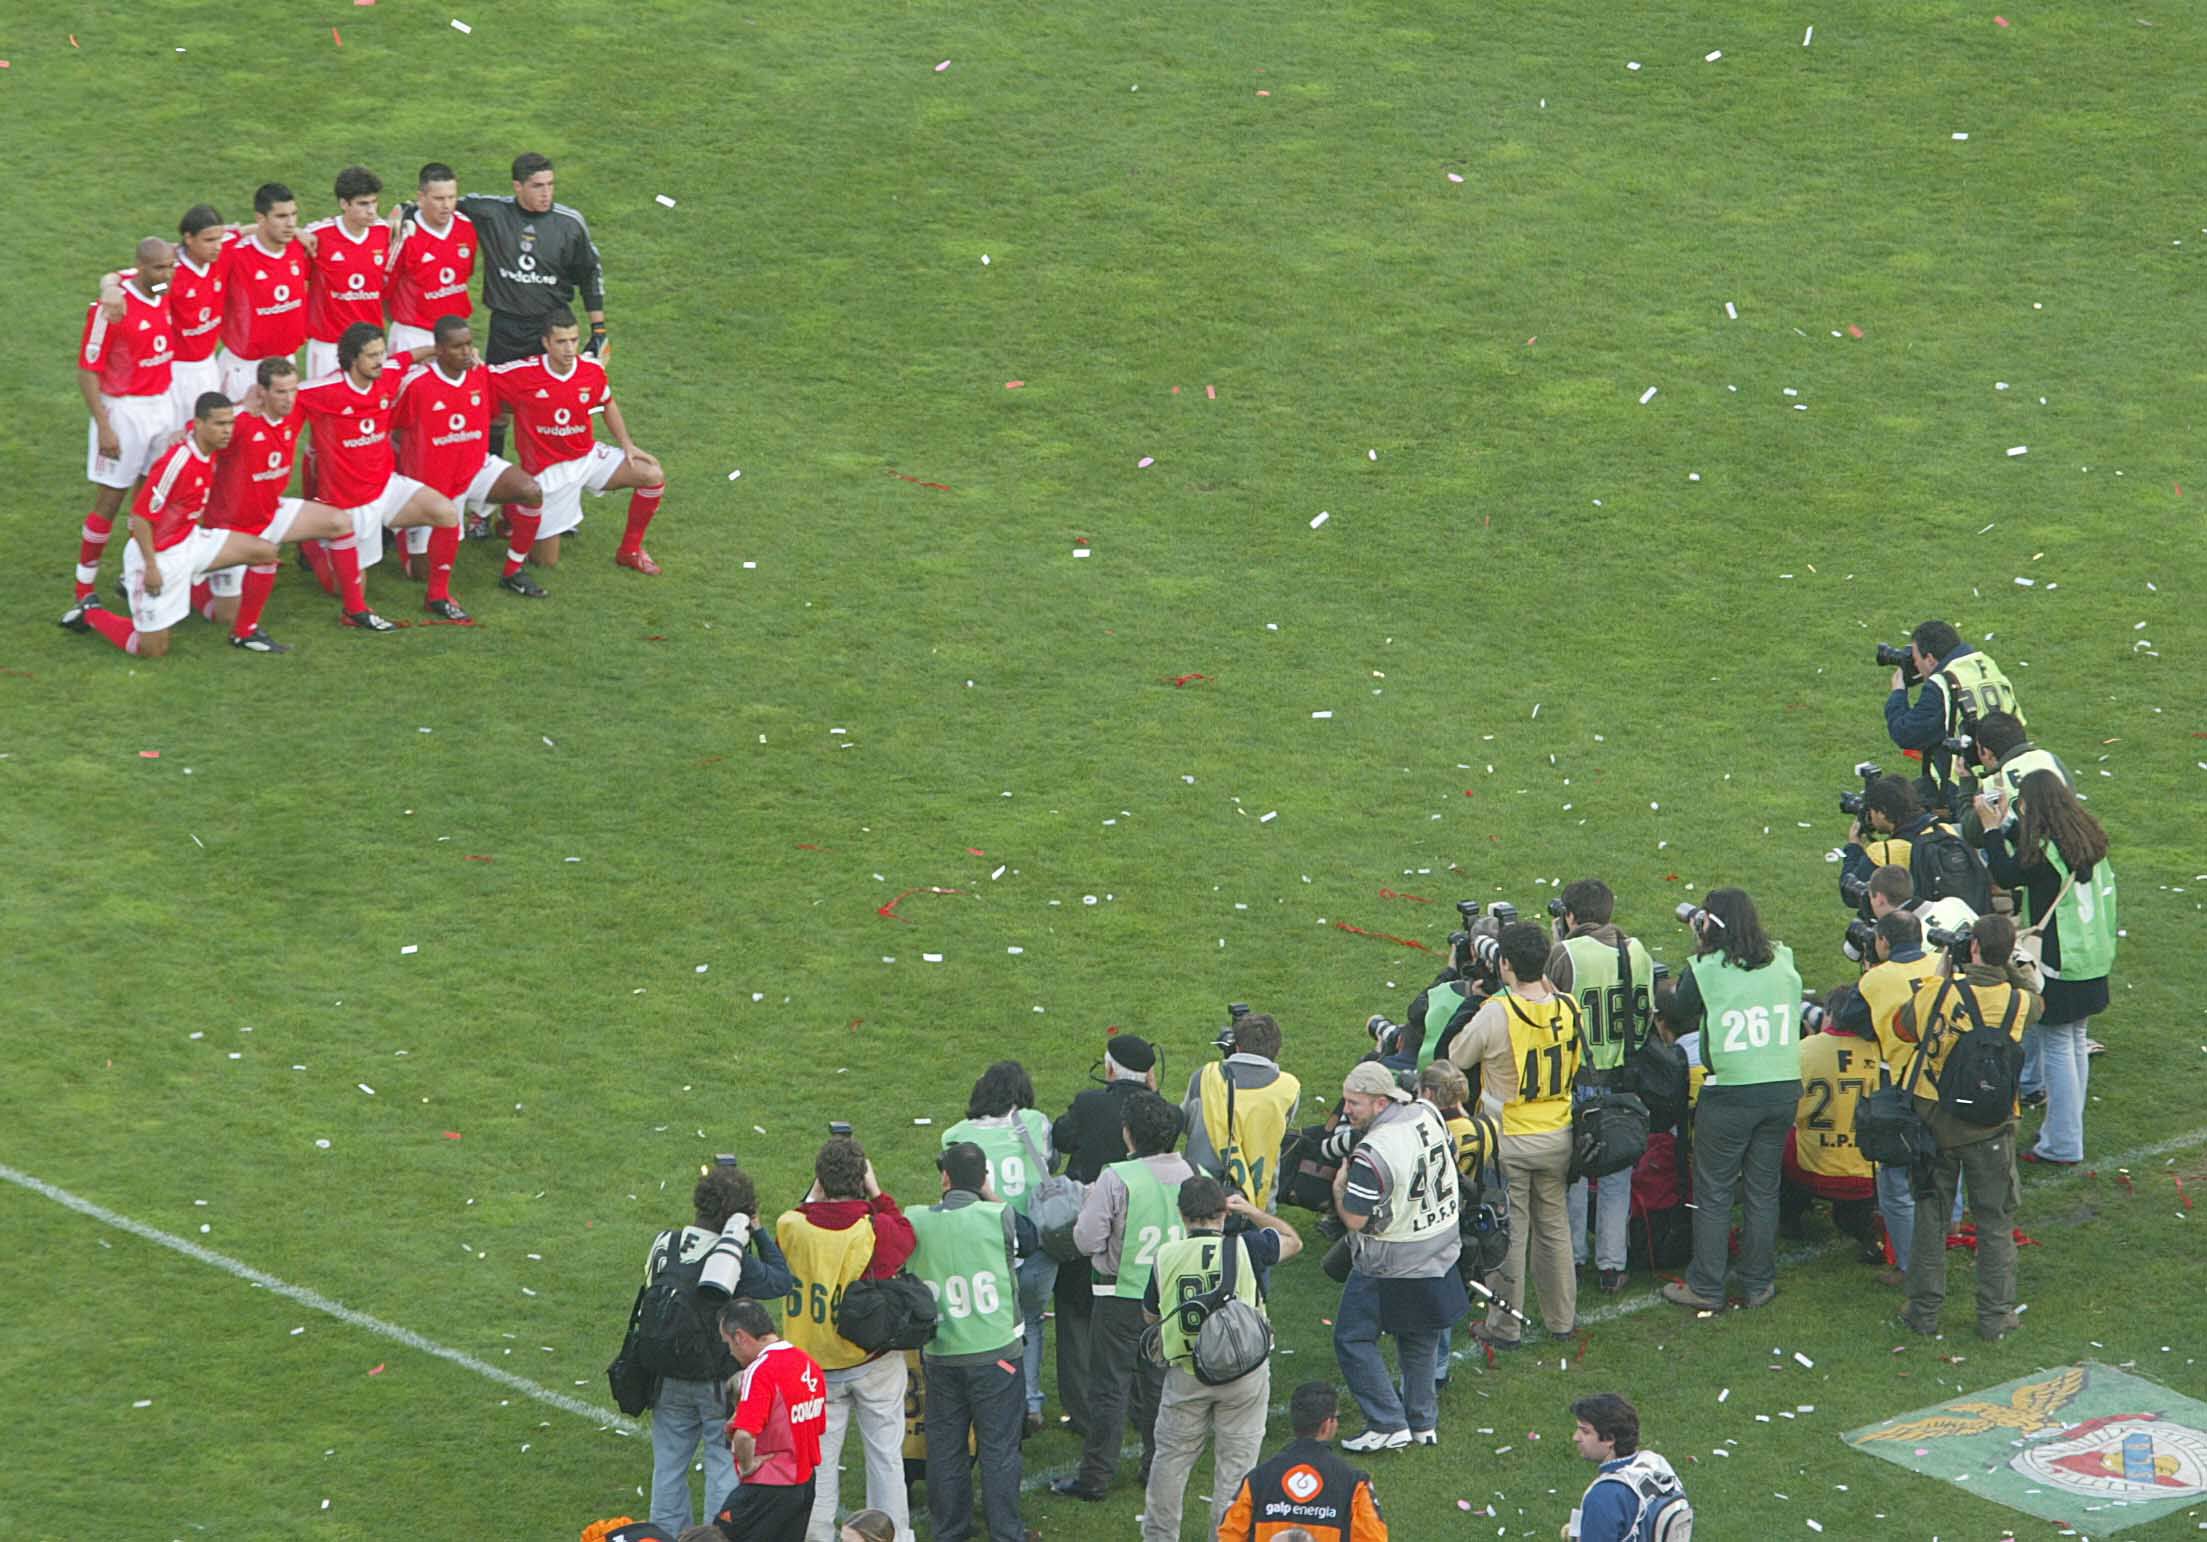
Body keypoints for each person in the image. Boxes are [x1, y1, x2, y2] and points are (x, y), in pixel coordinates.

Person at [1893, 915, 2042, 1340]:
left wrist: (1943, 968)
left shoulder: (1939, 991)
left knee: (1931, 1218)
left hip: (1936, 1124)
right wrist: (2007, 963)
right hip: (1992, 1128)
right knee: (1995, 1222)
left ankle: (1923, 1312)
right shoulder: (2019, 1003)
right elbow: (2036, 997)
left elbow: (1903, 1027)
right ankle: (1995, 1317)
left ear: (1972, 947)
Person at [1660, 889, 1803, 1312]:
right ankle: (1759, 1282)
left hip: (1732, 1091)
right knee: (1763, 1189)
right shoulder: (1782, 958)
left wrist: (1701, 946)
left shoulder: (1707, 968)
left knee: (1715, 1191)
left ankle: (1706, 1285)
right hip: (1782, 1087)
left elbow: (1680, 1006)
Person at [59, 394, 282, 659]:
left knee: (265, 552)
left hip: (191, 541)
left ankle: (245, 633)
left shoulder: (208, 448)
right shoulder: (177, 463)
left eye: (230, 424)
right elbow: (140, 518)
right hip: (159, 555)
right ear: (199, 424)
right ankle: (90, 612)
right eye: (220, 424)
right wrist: (151, 567)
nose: (227, 431)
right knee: (152, 649)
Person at [1140, 1176, 1302, 1541]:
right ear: (1224, 1212)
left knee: (1170, 1461)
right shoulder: (1249, 1246)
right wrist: (1253, 1211)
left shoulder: (1165, 1256)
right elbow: (1293, 1240)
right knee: (1236, 1468)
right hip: (1245, 1373)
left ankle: (1159, 1536)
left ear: (1182, 1214)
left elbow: (1150, 1316)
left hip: (1187, 1372)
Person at [777, 1135, 918, 1542]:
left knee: (818, 1465)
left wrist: (818, 1192)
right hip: (870, 1361)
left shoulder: (791, 1225)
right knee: (885, 1459)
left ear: (820, 1180)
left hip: (813, 1370)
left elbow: (801, 1213)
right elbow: (905, 1238)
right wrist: (876, 1192)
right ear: (860, 1179)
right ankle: (893, 1536)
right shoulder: (873, 1227)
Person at [1446, 921, 1580, 1349]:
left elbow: (1457, 1055)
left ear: (1504, 963)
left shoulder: (1498, 1012)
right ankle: (1562, 1320)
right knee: (1554, 1228)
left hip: (1510, 1137)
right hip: (1558, 1132)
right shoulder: (1568, 1006)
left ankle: (1505, 1327)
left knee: (1511, 1232)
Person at [1056, 1090, 1193, 1500]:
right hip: (1169, 1299)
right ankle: (1155, 1468)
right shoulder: (1192, 1172)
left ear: (1129, 1133)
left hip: (1121, 1296)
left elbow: (1085, 1240)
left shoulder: (1117, 1177)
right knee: (1158, 1387)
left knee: (1109, 1389)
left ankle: (1096, 1476)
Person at [643, 1165, 794, 1534]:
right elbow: (781, 1281)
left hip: (666, 1374)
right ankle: (717, 1538)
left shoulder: (665, 1242)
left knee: (668, 1467)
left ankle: (665, 1537)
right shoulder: (733, 1258)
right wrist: (757, 1231)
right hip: (719, 1381)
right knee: (722, 1464)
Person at [1978, 773, 2116, 1167]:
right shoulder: (2087, 841)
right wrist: (2007, 823)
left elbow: (2006, 873)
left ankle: (2064, 1142)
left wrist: (1991, 829)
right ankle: (2065, 1132)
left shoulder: (2045, 856)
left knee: (2057, 1044)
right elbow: (2030, 856)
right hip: (2093, 957)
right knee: (2074, 1040)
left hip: (2059, 961)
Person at [1329, 1060, 1464, 1449]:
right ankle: (1422, 1423)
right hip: (1442, 1248)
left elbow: (1355, 1219)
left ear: (1380, 1101)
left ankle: (1388, 1423)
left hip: (1392, 1261)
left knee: (1352, 1338)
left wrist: (1339, 1189)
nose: (1346, 1111)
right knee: (1420, 1340)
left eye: (1354, 1103)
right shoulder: (1428, 1113)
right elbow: (1451, 1155)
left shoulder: (1374, 1151)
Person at [486, 306, 668, 592]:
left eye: (573, 340)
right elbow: (480, 379)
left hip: (587, 457)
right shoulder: (522, 373)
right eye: (561, 342)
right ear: (546, 343)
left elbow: (606, 402)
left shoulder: (591, 370)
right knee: (545, 562)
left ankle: (630, 551)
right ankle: (513, 508)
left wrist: (627, 444)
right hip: (548, 472)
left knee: (651, 474)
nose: (570, 349)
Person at [294, 322, 460, 629]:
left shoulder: (387, 373)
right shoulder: (325, 390)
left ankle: (438, 595)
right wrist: (254, 399)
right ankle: (313, 545)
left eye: (382, 353)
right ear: (352, 358)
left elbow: (407, 358)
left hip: (385, 486)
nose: (380, 361)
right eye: (372, 356)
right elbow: (287, 393)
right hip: (347, 500)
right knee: (342, 589)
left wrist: (440, 351)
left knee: (446, 513)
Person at [907, 1142, 1032, 1542]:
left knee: (946, 1448)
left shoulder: (916, 1220)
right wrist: (989, 1192)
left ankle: (950, 1530)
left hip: (942, 1354)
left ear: (944, 1177)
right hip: (997, 1355)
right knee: (999, 1448)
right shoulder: (998, 1215)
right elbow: (1031, 1239)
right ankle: (1006, 1532)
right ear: (983, 1179)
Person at [199, 358, 366, 654]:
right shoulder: (241, 421)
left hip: (271, 511)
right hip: (232, 527)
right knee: (226, 615)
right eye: (280, 392)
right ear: (262, 392)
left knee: (339, 522)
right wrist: (237, 406)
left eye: (292, 390)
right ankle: (192, 582)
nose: (289, 399)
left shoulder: (297, 408)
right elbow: (200, 429)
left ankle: (356, 611)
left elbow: (338, 385)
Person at [389, 314, 544, 618]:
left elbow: (499, 411)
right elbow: (392, 430)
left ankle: (512, 571)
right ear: (439, 349)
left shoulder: (479, 374)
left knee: (530, 490)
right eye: (457, 346)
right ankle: (405, 534)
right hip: (431, 483)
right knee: (419, 573)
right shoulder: (416, 384)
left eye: (469, 344)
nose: (466, 352)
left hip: (474, 468)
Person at [1546, 880, 1657, 1295]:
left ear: (1570, 916)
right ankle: (1612, 1265)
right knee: (1616, 1172)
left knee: (1573, 1172)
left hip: (1578, 1081)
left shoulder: (1566, 953)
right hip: (1625, 1082)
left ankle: (1572, 1258)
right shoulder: (1637, 951)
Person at [1050, 1033, 1161, 1435]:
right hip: (1141, 1234)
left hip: (1092, 1225)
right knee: (1139, 1321)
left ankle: (1084, 1414)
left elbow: (1062, 1137)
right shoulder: (1163, 1111)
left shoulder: (1089, 1103)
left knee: (1075, 1318)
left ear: (1110, 1069)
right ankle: (1139, 1406)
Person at [941, 1062, 1058, 1436]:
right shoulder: (1036, 1123)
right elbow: (1051, 1162)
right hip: (1033, 1241)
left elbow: (952, 1187)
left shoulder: (955, 1135)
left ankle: (995, 1407)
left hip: (984, 1244)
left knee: (991, 1328)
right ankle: (1031, 1402)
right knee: (1032, 1321)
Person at [1838, 909, 1942, 1284]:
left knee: (1896, 1180)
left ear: (1882, 941)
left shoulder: (1876, 979)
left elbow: (1850, 1020)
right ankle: (1952, 1221)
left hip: (1904, 1084)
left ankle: (1910, 1266)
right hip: (1947, 1079)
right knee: (1945, 1162)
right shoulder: (1942, 964)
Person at [71, 238, 177, 601]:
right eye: (159, 268)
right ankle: (84, 587)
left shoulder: (161, 290)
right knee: (110, 499)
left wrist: (110, 280)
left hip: (162, 405)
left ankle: (132, 573)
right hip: (125, 411)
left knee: (148, 498)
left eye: (170, 266)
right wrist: (104, 426)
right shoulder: (111, 310)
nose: (167, 274)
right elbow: (87, 370)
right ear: (141, 267)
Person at [454, 151, 607, 367]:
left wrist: (598, 329)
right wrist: (408, 210)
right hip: (506, 329)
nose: (546, 193)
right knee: (501, 386)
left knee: (554, 387)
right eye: (538, 186)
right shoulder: (492, 213)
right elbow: (444, 203)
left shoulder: (569, 223)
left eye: (550, 184)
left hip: (552, 326)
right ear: (518, 186)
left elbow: (589, 273)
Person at [713, 1297, 829, 1541]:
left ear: (740, 1337)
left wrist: (747, 1465)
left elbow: (745, 1435)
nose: (730, 1352)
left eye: (728, 1343)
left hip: (768, 1487)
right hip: (804, 1484)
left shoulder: (761, 1370)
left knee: (717, 1536)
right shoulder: (808, 1363)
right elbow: (816, 1425)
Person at [1216, 1380, 1390, 1541]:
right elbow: (1372, 1537)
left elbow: (1229, 1535)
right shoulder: (1353, 1482)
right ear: (1327, 1424)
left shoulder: (1257, 1479)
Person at [1779, 987, 1879, 1257]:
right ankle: (1869, 1228)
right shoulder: (1881, 1051)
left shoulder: (1803, 1050)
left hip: (1809, 1171)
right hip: (1866, 1178)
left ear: (1830, 1014)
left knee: (1777, 1133)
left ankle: (1789, 1216)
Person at [1884, 618, 2024, 800]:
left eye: (1916, 659)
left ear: (1930, 659)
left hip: (1963, 785)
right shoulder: (1987, 664)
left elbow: (1905, 733)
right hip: (2007, 775)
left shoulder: (1942, 684)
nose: (1915, 665)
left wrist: (1898, 692)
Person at [1182, 1013, 1302, 1216]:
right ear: (1277, 1049)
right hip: (1255, 1197)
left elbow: (1185, 1123)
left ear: (1236, 1046)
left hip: (1199, 1190)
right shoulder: (1289, 1087)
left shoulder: (1204, 1076)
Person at [212, 183, 313, 403]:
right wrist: (152, 290)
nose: (291, 223)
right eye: (281, 216)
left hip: (285, 365)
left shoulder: (299, 248)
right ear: (260, 218)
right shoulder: (235, 255)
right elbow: (181, 279)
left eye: (294, 214)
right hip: (244, 369)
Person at [301, 166, 393, 384]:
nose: (371, 210)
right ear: (344, 204)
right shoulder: (318, 236)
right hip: (329, 347)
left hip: (371, 346)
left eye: (374, 202)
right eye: (363, 204)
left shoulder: (384, 232)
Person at [385, 162, 477, 358]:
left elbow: (465, 275)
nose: (447, 205)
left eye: (451, 197)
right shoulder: (405, 234)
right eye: (439, 198)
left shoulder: (466, 227)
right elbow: (385, 289)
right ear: (421, 198)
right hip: (414, 336)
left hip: (455, 335)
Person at [1568, 1393, 1685, 1542]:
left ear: (1609, 1439)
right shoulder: (1657, 1465)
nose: (1576, 1437)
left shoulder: (1604, 1496)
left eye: (1585, 1431)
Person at [164, 206, 234, 435]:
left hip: (208, 365)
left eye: (219, 238)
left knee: (208, 436)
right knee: (175, 436)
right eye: (209, 240)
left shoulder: (222, 255)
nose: (217, 246)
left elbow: (249, 231)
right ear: (189, 238)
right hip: (177, 371)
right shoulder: (171, 274)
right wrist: (110, 285)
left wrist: (299, 233)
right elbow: (145, 286)